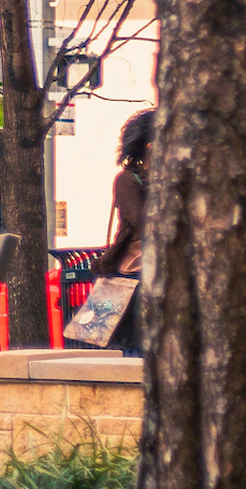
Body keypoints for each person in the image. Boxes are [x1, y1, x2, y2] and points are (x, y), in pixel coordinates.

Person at [95, 108, 154, 355]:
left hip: (166, 273)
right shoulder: (128, 180)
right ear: (151, 145)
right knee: (136, 353)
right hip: (134, 277)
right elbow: (146, 223)